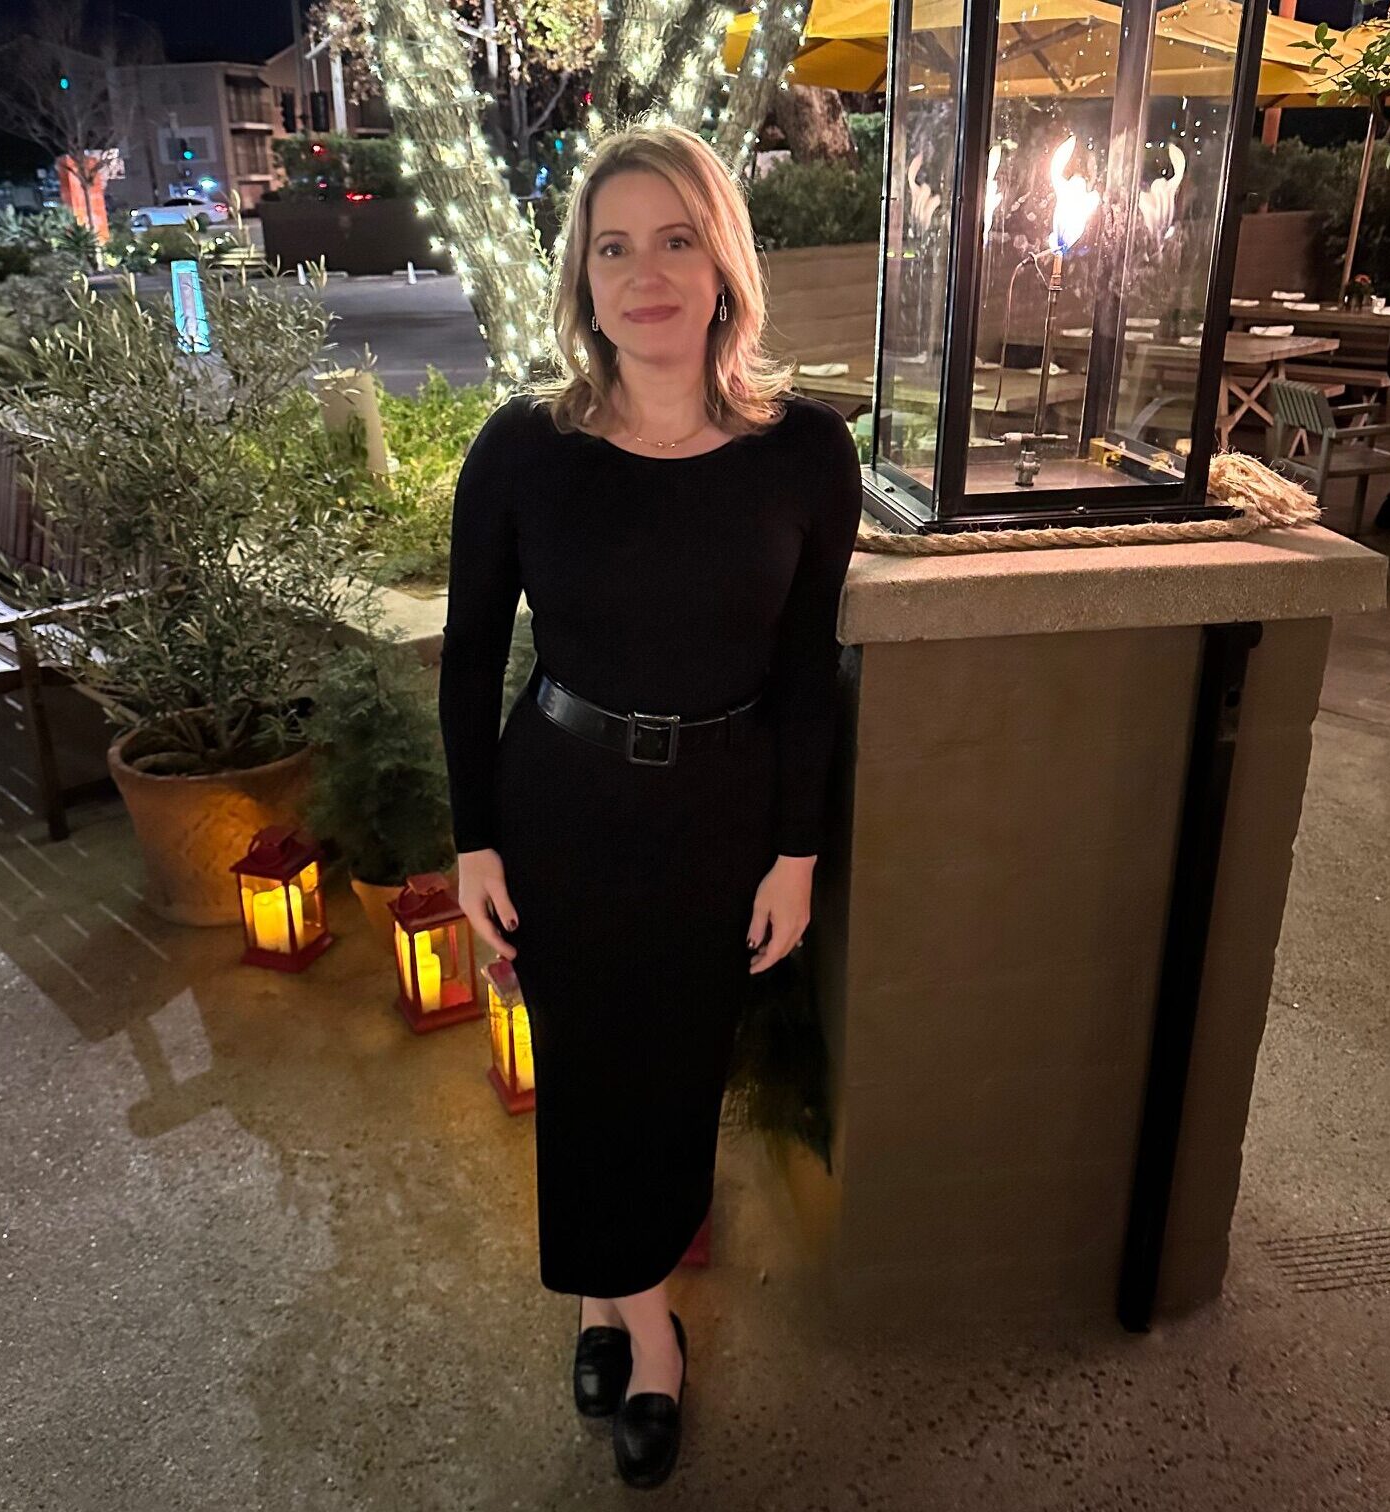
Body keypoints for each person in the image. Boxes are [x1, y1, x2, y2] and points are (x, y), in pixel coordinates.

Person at [436, 121, 864, 1490]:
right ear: (583, 279)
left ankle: (622, 1297)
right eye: (614, 247)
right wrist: (472, 838)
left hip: (722, 812)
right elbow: (465, 658)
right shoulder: (522, 449)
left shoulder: (805, 453)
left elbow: (806, 672)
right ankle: (631, 1319)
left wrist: (796, 852)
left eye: (676, 238)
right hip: (558, 802)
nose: (647, 273)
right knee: (581, 1072)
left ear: (722, 260)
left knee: (674, 1079)